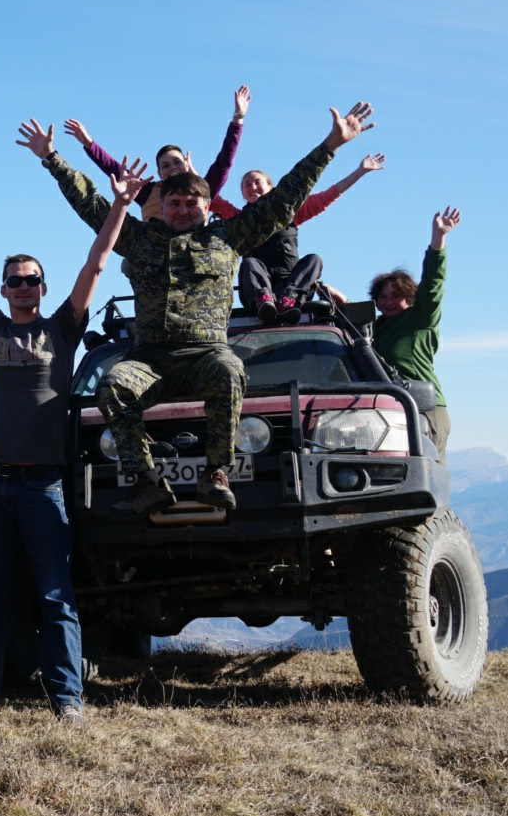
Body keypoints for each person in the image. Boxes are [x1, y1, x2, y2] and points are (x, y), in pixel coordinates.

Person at [21, 102, 376, 514]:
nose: (183, 210)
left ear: (208, 208)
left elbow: (284, 200)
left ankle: (217, 474)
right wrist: (51, 157)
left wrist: (331, 144)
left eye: (192, 203)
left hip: (207, 356)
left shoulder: (227, 238)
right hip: (150, 360)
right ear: (162, 206)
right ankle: (148, 480)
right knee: (113, 385)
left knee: (229, 372)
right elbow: (92, 206)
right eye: (174, 203)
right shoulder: (139, 239)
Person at [0, 158, 150, 725]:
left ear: (43, 286)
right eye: (13, 279)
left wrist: (117, 204)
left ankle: (68, 700)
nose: (22, 286)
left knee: (55, 597)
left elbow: (97, 261)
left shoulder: (62, 326)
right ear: (4, 288)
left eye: (31, 279)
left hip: (45, 485)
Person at [210, 152, 387, 323]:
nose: (252, 187)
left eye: (257, 182)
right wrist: (185, 172)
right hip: (258, 290)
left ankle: (289, 300)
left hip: (290, 285)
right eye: (247, 185)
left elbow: (330, 195)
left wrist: (360, 171)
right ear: (243, 194)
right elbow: (208, 197)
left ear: (271, 188)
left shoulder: (291, 213)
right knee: (249, 262)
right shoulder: (238, 220)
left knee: (314, 259)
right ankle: (265, 301)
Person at [66, 85, 249, 223]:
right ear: (160, 174)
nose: (172, 168)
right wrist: (89, 143)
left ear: (186, 165)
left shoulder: (202, 189)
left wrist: (237, 119)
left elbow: (224, 161)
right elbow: (112, 167)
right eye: (166, 166)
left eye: (177, 162)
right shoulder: (147, 191)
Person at [370, 206, 461, 462]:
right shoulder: (375, 329)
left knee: (429, 472)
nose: (388, 302)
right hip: (392, 411)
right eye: (383, 297)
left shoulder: (420, 319)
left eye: (396, 296)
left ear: (410, 298)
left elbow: (433, 283)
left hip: (426, 409)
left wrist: (438, 240)